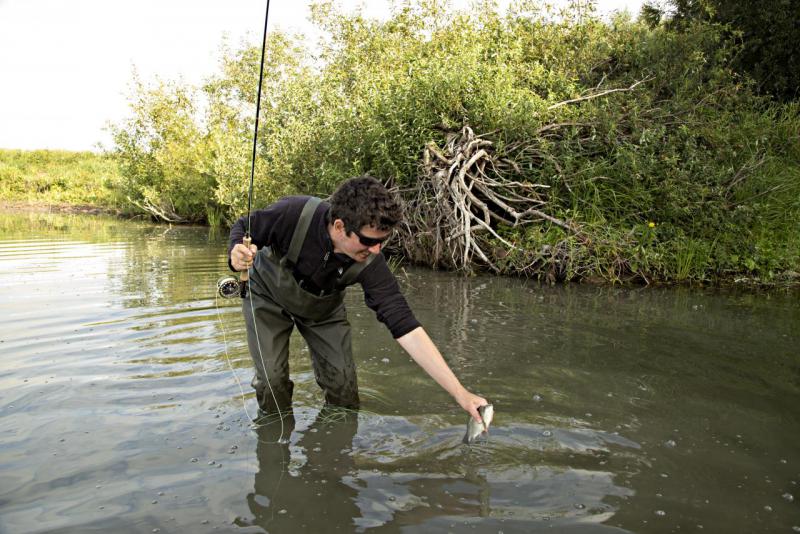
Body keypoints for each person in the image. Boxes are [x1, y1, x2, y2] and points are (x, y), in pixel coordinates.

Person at [228, 175, 486, 422]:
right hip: (267, 296)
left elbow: (404, 324)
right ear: (340, 226)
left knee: (343, 387)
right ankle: (274, 435)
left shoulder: (373, 262)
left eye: (382, 241)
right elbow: (244, 226)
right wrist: (236, 253)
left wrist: (460, 393)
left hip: (322, 309)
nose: (376, 249)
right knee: (272, 381)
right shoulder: (293, 212)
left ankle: (336, 452)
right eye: (368, 241)